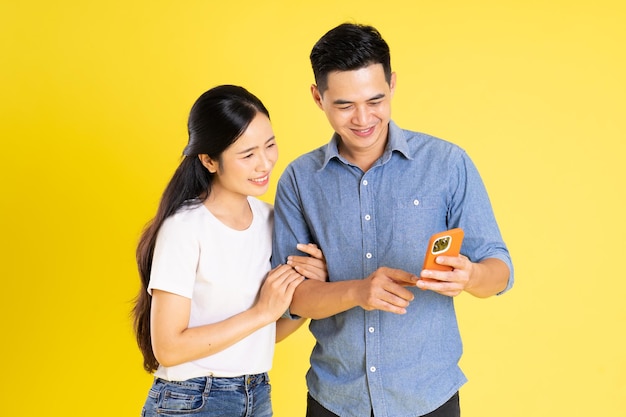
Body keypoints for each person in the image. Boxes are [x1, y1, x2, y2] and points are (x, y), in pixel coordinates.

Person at [272, 23, 514, 417]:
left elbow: (500, 269)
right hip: (335, 400)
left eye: (375, 100)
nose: (363, 118)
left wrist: (470, 275)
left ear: (393, 84)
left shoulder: (447, 163)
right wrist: (356, 291)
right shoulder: (299, 180)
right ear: (318, 98)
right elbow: (290, 300)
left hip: (428, 396)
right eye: (344, 105)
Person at [133, 85, 327, 417]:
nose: (264, 163)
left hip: (256, 394)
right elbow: (167, 347)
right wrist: (262, 312)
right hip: (192, 400)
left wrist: (311, 290)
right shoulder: (185, 228)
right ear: (209, 160)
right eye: (247, 154)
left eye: (270, 145)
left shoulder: (272, 220)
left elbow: (264, 334)